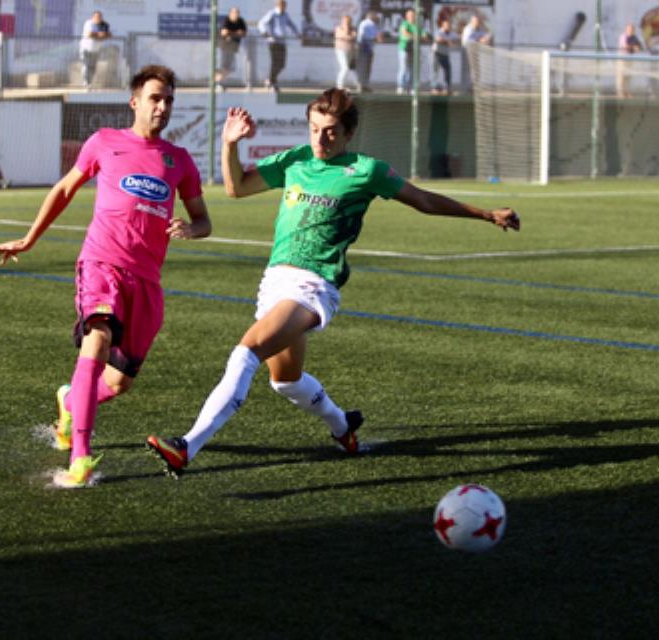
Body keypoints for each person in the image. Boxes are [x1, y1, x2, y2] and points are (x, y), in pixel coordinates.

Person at [145, 88, 520, 478]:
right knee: (285, 381)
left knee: (247, 351)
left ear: (348, 133)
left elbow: (423, 200)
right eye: (314, 129)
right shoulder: (297, 160)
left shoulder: (366, 170)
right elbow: (236, 188)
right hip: (274, 281)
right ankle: (343, 427)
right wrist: (229, 144)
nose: (321, 139)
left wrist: (487, 214)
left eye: (330, 132)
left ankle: (187, 447)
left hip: (313, 285)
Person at [0, 65, 213, 488]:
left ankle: (70, 400)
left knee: (120, 381)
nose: (162, 107)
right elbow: (64, 190)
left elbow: (204, 220)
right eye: (155, 98)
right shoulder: (104, 142)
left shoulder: (179, 161)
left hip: (145, 282)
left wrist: (190, 227)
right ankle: (80, 455)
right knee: (98, 337)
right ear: (135, 102)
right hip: (101, 264)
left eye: (168, 100)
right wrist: (29, 239)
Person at [256, 0, 300, 94]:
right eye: (282, 5)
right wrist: (265, 33)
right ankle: (272, 83)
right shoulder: (272, 13)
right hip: (273, 42)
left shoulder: (285, 15)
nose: (284, 7)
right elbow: (261, 23)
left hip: (282, 42)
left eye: (284, 5)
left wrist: (297, 33)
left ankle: (270, 80)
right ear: (277, 5)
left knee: (282, 64)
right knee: (275, 63)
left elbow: (291, 25)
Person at [215, 6, 247, 90]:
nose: (236, 14)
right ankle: (217, 83)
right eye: (234, 12)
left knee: (231, 67)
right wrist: (236, 33)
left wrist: (231, 33)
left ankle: (218, 81)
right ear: (230, 13)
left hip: (233, 46)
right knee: (224, 65)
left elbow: (243, 33)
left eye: (237, 13)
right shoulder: (226, 20)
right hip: (224, 46)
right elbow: (224, 33)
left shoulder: (240, 21)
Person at [78, 10, 111, 88]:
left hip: (96, 49)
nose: (98, 18)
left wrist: (100, 35)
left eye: (100, 17)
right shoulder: (89, 23)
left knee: (93, 67)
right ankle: (85, 82)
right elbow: (90, 34)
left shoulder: (104, 25)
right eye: (96, 16)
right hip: (85, 48)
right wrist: (100, 35)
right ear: (93, 17)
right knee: (86, 64)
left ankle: (90, 82)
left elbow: (108, 35)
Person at [459, 14, 492, 92]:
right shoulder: (468, 29)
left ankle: (476, 87)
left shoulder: (479, 29)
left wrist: (486, 38)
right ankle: (465, 88)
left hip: (475, 52)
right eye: (476, 21)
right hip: (466, 51)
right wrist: (479, 41)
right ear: (472, 21)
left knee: (477, 69)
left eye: (479, 21)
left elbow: (485, 36)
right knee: (467, 70)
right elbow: (466, 41)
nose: (478, 23)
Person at [431, 17, 458, 95]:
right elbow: (438, 39)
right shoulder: (439, 31)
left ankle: (447, 88)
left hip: (445, 54)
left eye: (449, 25)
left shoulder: (451, 33)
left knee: (447, 70)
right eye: (446, 25)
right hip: (437, 53)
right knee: (435, 71)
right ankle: (434, 88)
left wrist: (451, 41)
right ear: (443, 25)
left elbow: (457, 39)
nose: (448, 27)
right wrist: (447, 41)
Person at [615, 22, 644, 98]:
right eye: (629, 29)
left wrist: (637, 47)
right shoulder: (623, 36)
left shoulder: (634, 37)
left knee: (628, 76)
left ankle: (627, 92)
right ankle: (620, 93)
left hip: (630, 58)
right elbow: (625, 46)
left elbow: (640, 47)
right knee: (621, 76)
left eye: (632, 29)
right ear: (626, 29)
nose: (631, 31)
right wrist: (634, 47)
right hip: (622, 58)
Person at [396, 8, 420, 94]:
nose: (412, 17)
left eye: (413, 15)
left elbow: (423, 35)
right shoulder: (404, 24)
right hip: (404, 49)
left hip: (413, 49)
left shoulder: (417, 25)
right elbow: (405, 33)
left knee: (411, 69)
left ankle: (410, 87)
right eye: (410, 15)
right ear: (406, 16)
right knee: (403, 67)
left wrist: (417, 36)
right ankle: (401, 86)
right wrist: (414, 36)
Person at [355, 10, 380, 92]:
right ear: (371, 16)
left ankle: (365, 85)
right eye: (375, 16)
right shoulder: (366, 23)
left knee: (367, 67)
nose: (377, 18)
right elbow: (363, 36)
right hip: (364, 47)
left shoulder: (373, 24)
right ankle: (361, 85)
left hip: (369, 47)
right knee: (363, 66)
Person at [333, 13, 358, 90]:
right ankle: (340, 86)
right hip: (341, 50)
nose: (347, 23)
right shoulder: (338, 28)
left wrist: (349, 36)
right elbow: (343, 36)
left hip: (351, 51)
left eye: (349, 21)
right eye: (345, 21)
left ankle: (355, 84)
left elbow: (354, 36)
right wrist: (347, 31)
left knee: (351, 68)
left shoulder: (353, 29)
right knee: (345, 68)